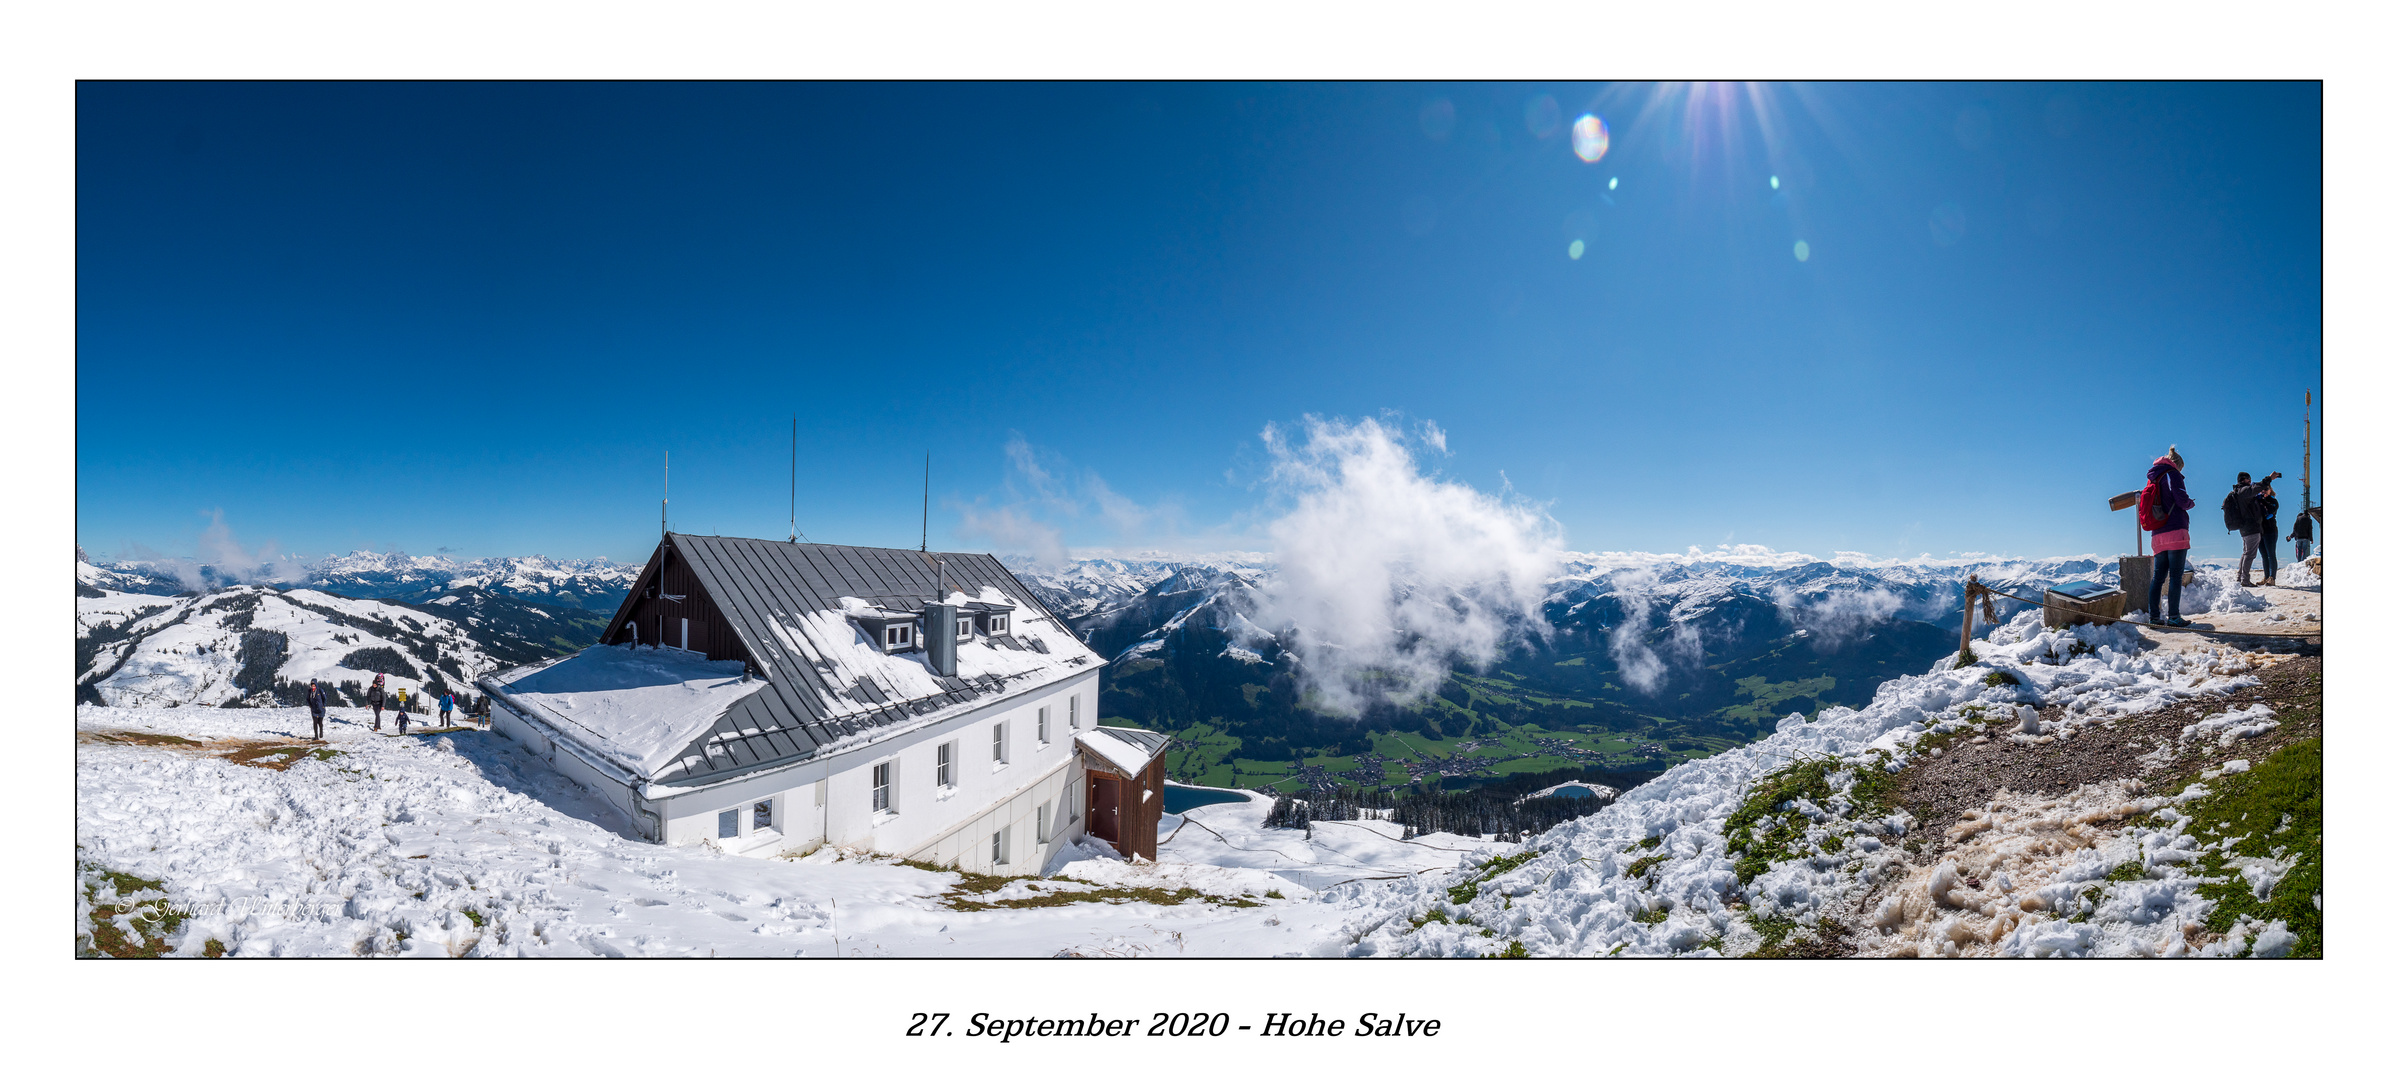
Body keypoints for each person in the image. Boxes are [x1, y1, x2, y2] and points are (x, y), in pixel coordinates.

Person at [2146, 446, 2198, 627]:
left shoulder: (2153, 477)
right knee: (2176, 576)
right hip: (2176, 530)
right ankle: (2174, 617)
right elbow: (2182, 500)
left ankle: (2154, 617)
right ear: (2178, 465)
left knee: (2158, 577)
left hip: (2157, 534)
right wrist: (2191, 503)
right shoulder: (2173, 474)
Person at [2222, 471, 2262, 586]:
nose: (2250, 481)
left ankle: (2240, 577)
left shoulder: (2237, 492)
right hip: (2251, 527)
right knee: (2249, 555)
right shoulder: (2244, 491)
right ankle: (2245, 580)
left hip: (2244, 528)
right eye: (2248, 479)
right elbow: (2255, 489)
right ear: (2244, 480)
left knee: (2246, 553)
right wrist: (2268, 479)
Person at [2256, 481, 2281, 586]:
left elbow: (2272, 509)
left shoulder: (2273, 501)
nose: (2264, 491)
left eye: (2266, 489)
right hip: (2260, 531)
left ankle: (2272, 578)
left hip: (2270, 531)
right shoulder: (2257, 501)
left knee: (2271, 554)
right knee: (2264, 555)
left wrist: (2263, 500)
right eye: (2262, 490)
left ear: (2270, 490)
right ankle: (2266, 577)